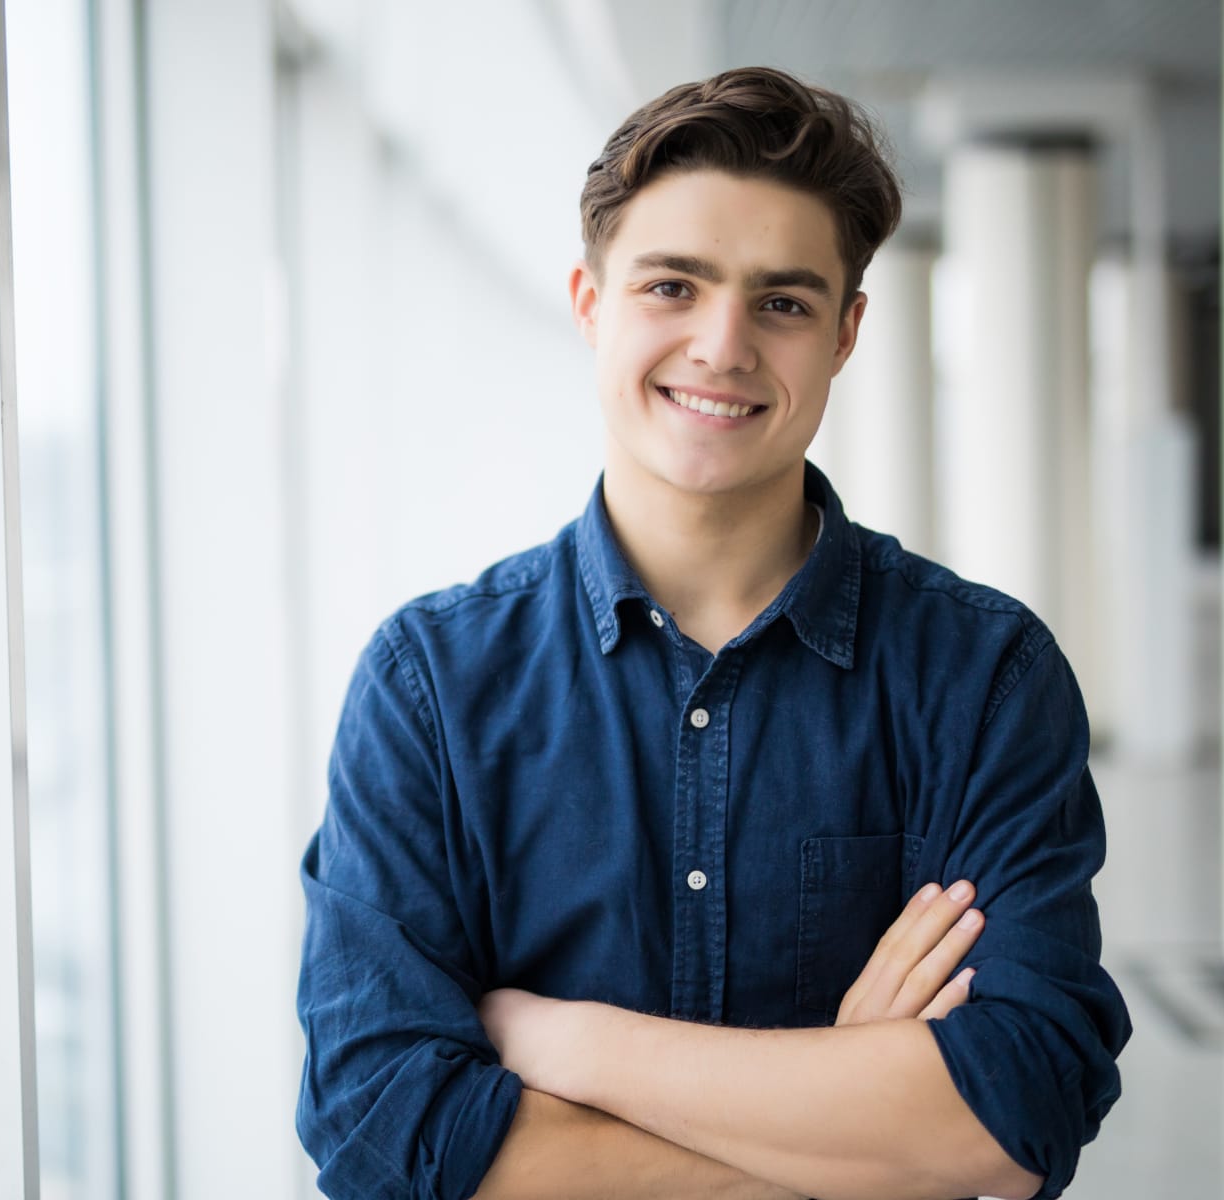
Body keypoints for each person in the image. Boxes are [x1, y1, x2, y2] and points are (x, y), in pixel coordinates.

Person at [296, 66, 1130, 1200]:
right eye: (672, 287)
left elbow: (1020, 1102)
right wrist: (862, 1125)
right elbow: (387, 1134)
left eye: (781, 302)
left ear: (844, 334)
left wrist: (569, 1046)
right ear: (591, 305)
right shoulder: (430, 686)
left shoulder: (981, 675)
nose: (723, 346)